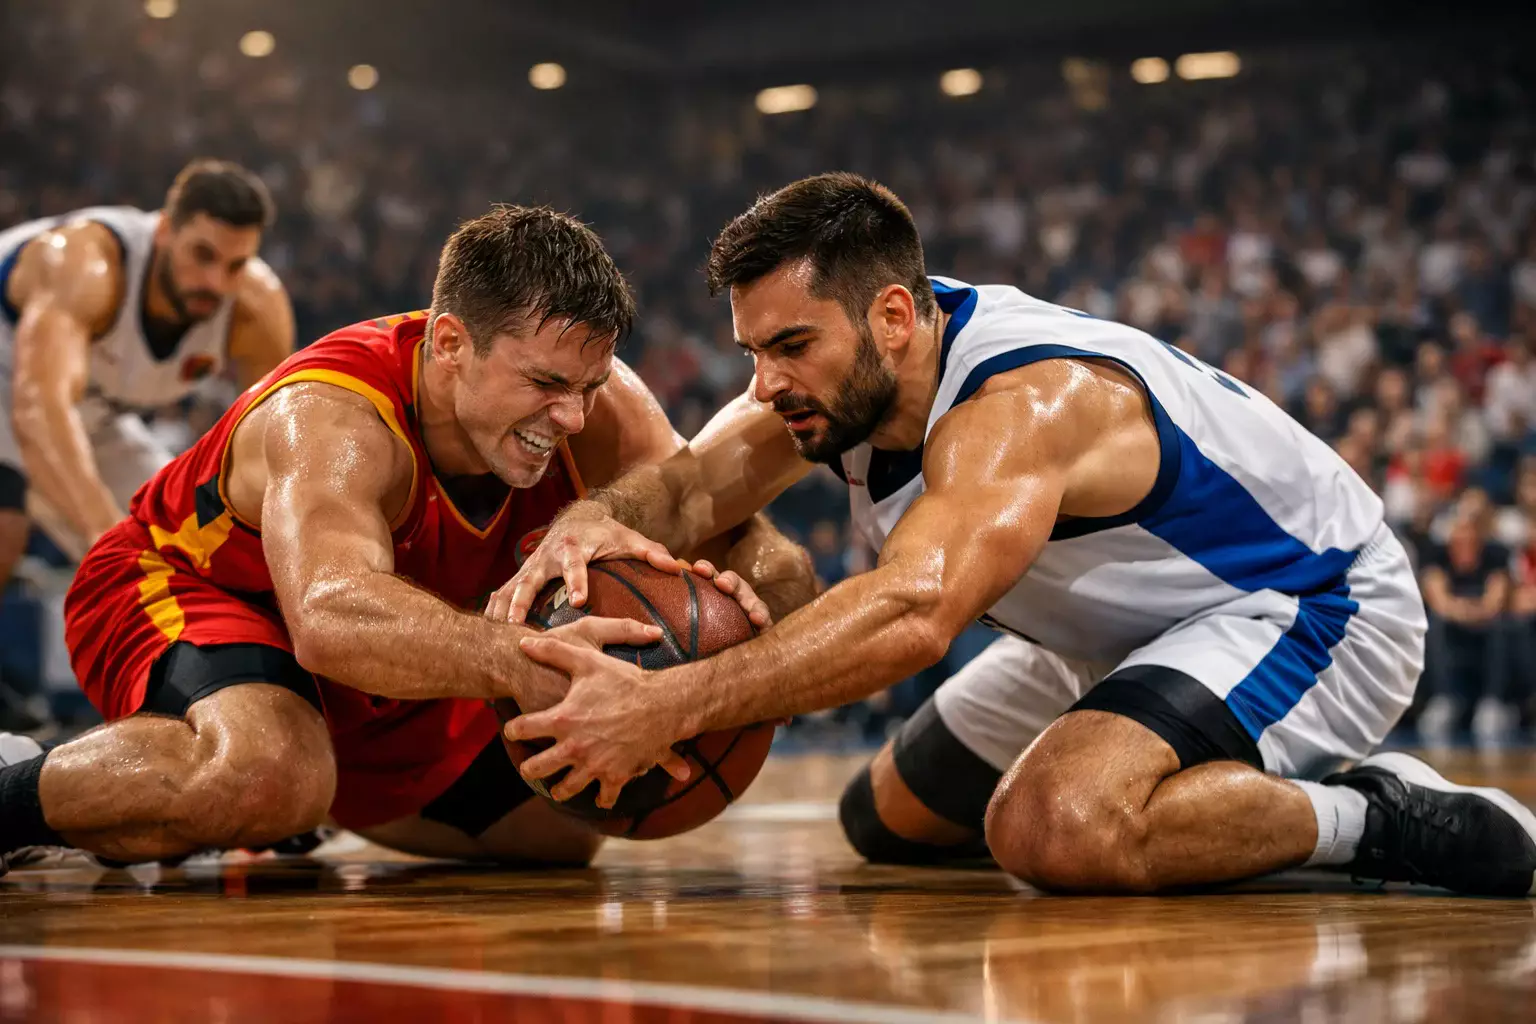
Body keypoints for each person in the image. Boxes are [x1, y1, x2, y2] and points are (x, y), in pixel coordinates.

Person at [493, 173, 1536, 897]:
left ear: (892, 317)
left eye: (791, 345)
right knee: (885, 822)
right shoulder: (839, 384)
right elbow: (685, 490)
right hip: (1112, 637)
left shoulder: (1022, 404)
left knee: (1054, 826)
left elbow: (914, 614)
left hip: (1307, 605)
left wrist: (664, 704)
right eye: (753, 351)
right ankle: (1166, 773)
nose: (765, 384)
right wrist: (583, 525)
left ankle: (1375, 816)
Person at [0, 205, 814, 872]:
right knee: (269, 775)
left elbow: (740, 534)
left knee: (560, 830)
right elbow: (330, 617)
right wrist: (527, 664)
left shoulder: (595, 407)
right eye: (545, 384)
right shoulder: (334, 417)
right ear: (452, 344)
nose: (570, 415)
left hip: (369, 656)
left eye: (589, 385)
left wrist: (752, 622)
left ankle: (273, 793)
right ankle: (17, 786)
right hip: (188, 585)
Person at [0, 158, 295, 585]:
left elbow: (274, 448)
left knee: (188, 546)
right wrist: (104, 537)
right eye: (203, 255)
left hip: (91, 412)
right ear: (164, 230)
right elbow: (37, 410)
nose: (215, 282)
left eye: (235, 266)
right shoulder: (85, 266)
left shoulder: (256, 310)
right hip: (20, 384)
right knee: (9, 529)